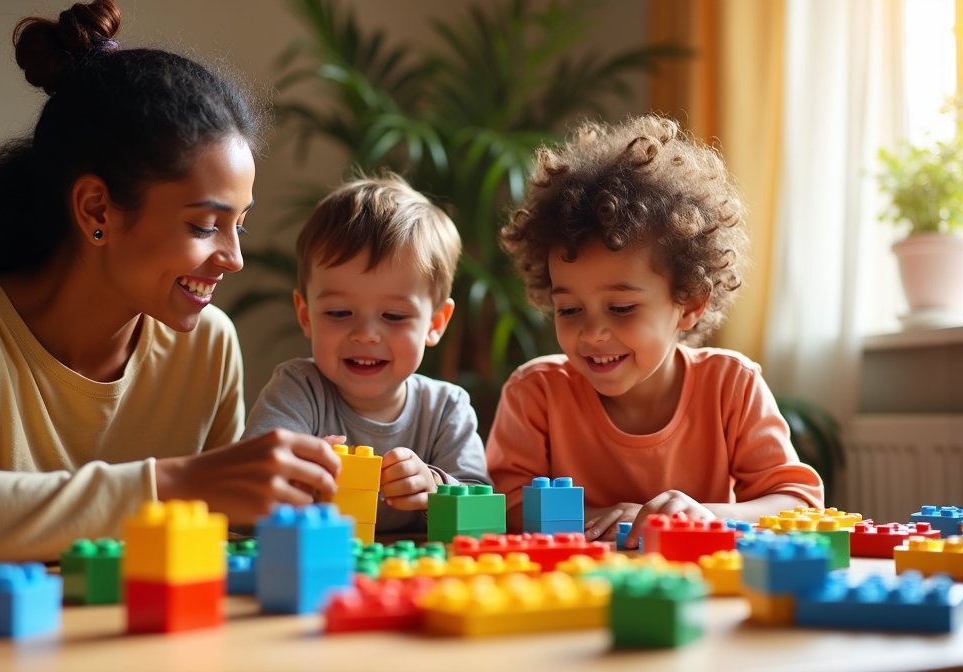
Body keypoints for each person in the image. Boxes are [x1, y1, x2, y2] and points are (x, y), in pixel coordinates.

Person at [0, 0, 342, 572]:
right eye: (203, 225)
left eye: (239, 225)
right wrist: (172, 485)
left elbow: (220, 544)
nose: (235, 258)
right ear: (98, 208)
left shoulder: (206, 346)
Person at [485, 115, 823, 547]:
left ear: (689, 303)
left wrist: (705, 515)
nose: (592, 334)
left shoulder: (731, 385)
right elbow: (503, 504)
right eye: (568, 309)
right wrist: (607, 518)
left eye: (622, 307)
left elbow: (799, 501)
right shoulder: (535, 393)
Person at [243, 175, 490, 533]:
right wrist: (297, 476)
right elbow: (249, 487)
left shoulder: (446, 409)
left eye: (394, 316)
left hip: (412, 580)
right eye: (339, 313)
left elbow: (484, 518)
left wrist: (435, 489)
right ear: (305, 315)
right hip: (319, 567)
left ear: (436, 323)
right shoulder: (297, 389)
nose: (365, 335)